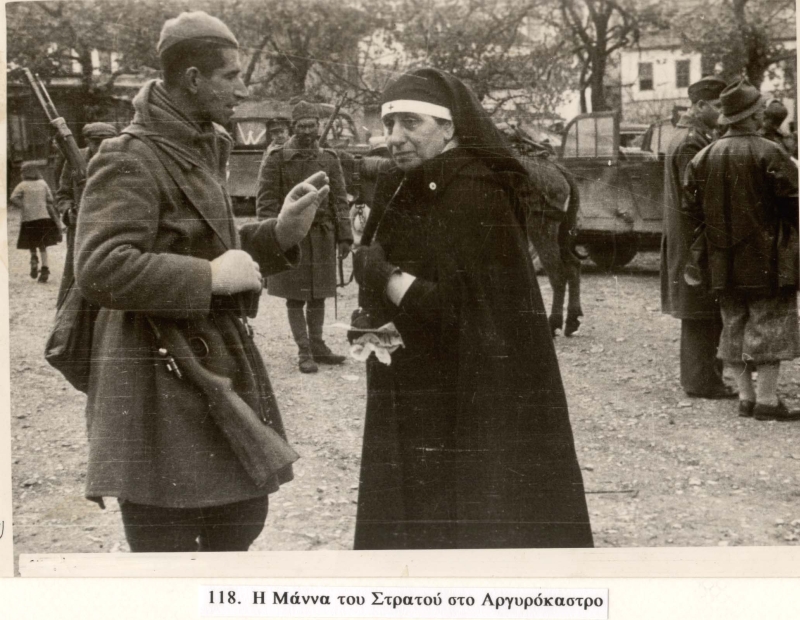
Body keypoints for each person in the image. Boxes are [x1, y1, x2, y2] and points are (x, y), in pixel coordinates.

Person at [74, 11, 330, 552]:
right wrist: (211, 276)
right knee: (167, 535)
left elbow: (207, 239)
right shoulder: (129, 155)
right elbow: (100, 266)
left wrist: (280, 232)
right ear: (192, 79)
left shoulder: (199, 143)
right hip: (154, 373)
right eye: (231, 76)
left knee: (241, 515)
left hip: (208, 356)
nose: (242, 90)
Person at [351, 67, 593, 549]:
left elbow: (461, 310)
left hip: (470, 385)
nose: (394, 137)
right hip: (421, 376)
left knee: (465, 510)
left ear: (449, 127)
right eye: (389, 123)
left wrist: (385, 276)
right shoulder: (409, 180)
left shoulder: (476, 192)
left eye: (411, 123)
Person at [684, 78, 800, 421]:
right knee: (770, 325)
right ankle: (767, 401)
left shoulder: (702, 157)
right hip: (769, 259)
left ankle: (746, 399)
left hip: (722, 259)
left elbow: (691, 210)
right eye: (759, 110)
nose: (763, 114)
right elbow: (793, 204)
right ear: (751, 116)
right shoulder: (770, 151)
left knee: (733, 325)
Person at [256, 100, 353, 373]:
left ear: (319, 126)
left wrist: (345, 236)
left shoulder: (329, 159)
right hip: (291, 236)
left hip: (322, 235)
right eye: (302, 126)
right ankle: (304, 351)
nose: (307, 131)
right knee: (295, 296)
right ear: (293, 127)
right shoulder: (277, 159)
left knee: (319, 294)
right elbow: (266, 203)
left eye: (312, 125)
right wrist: (271, 239)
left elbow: (339, 200)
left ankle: (318, 345)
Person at [660, 76, 736, 399]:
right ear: (700, 106)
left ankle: (704, 377)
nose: (722, 112)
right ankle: (701, 381)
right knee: (699, 310)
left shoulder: (690, 136)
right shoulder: (692, 142)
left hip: (689, 238)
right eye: (717, 106)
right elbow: (698, 197)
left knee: (701, 308)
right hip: (694, 240)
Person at [55, 122, 118, 306]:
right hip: (80, 231)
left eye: (107, 141)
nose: (101, 147)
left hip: (111, 229)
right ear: (87, 141)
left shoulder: (121, 160)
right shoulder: (74, 159)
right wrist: (68, 211)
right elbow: (63, 194)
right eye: (96, 142)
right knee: (76, 277)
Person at [10, 161, 62, 283]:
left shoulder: (22, 185)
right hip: (43, 217)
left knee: (31, 242)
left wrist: (24, 205)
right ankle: (45, 268)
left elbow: (13, 198)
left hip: (28, 218)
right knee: (42, 244)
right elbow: (50, 199)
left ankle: (33, 258)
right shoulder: (43, 183)